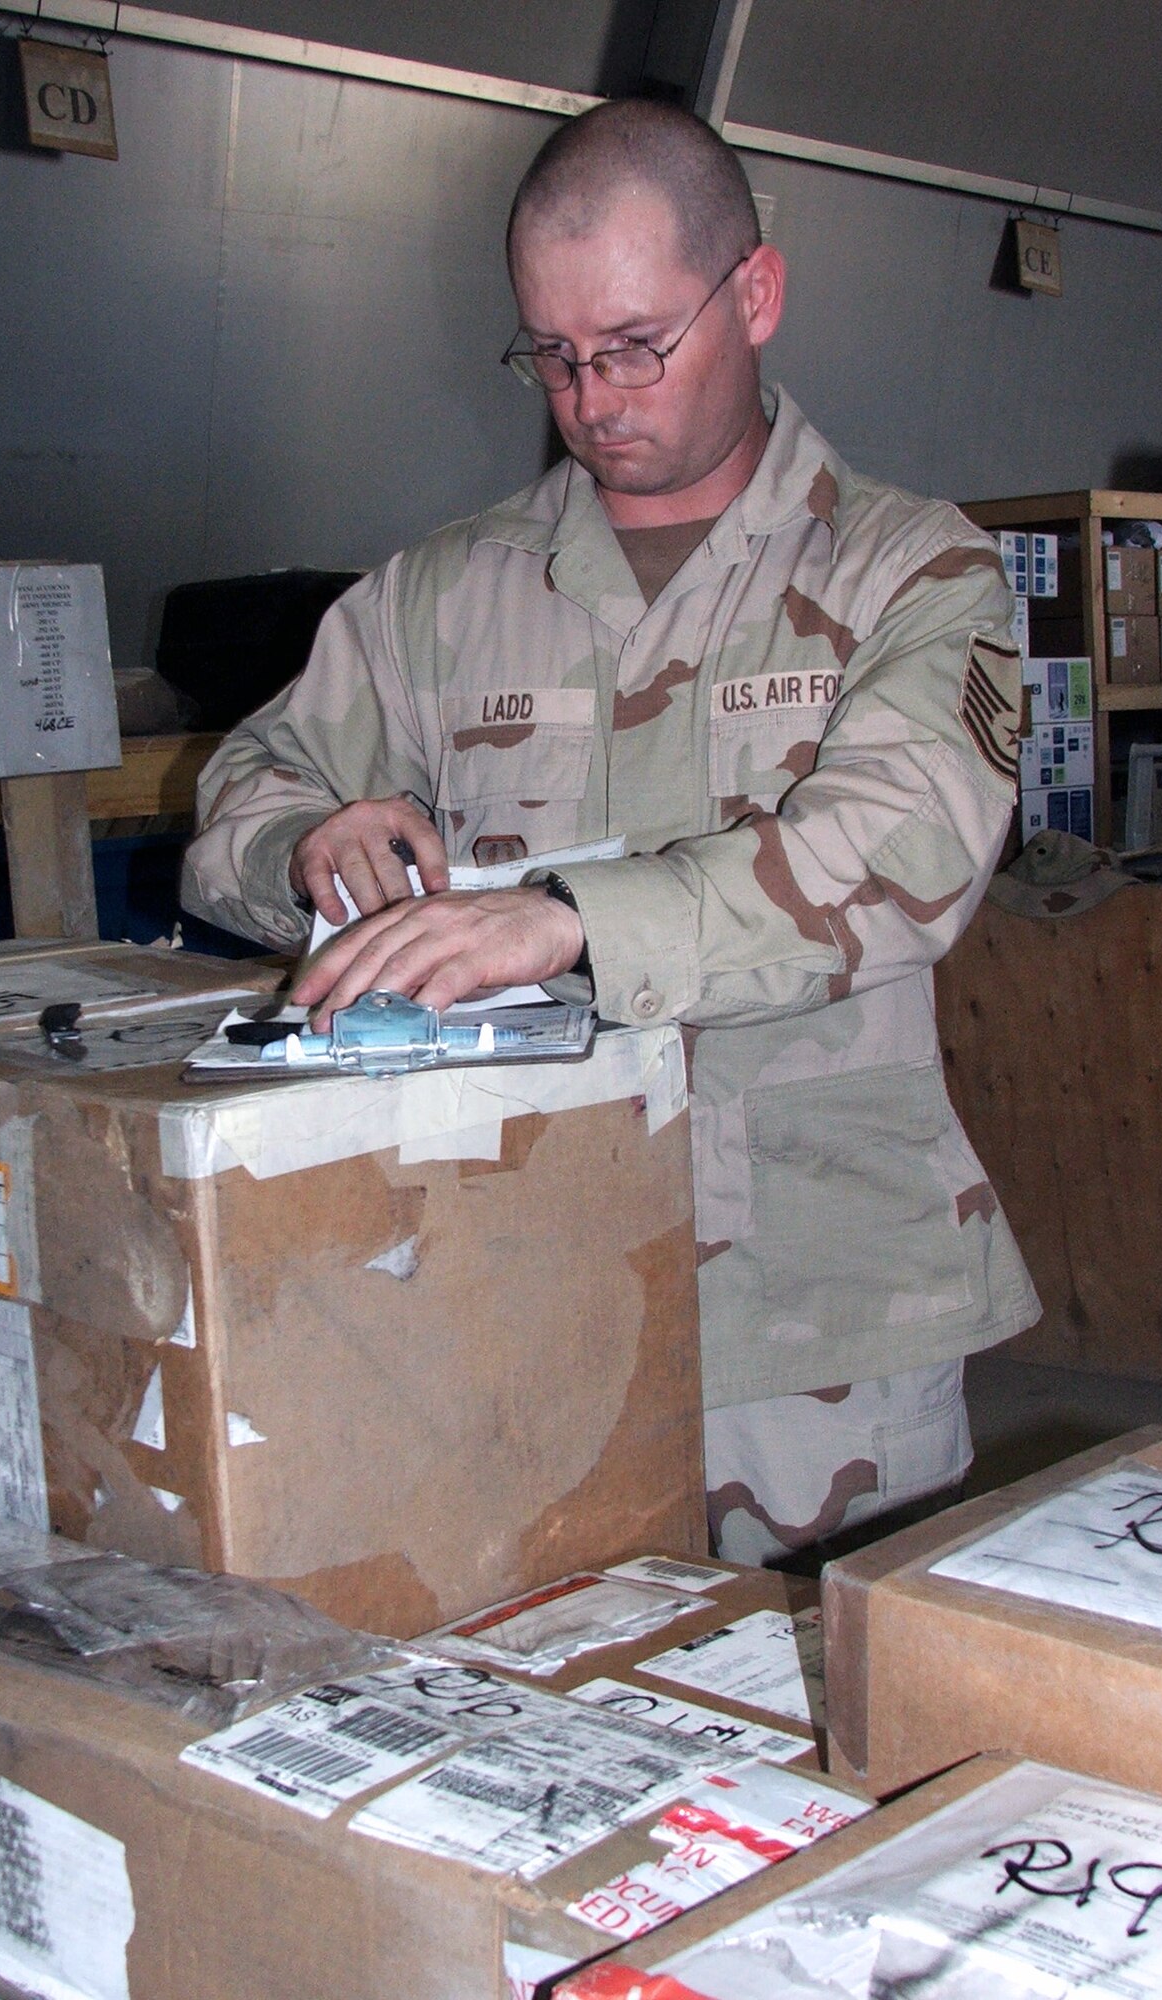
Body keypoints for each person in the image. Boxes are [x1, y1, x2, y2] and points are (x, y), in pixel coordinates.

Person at [182, 98, 1038, 1565]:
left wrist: (569, 920)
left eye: (638, 345)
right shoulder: (444, 595)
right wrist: (312, 845)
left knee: (827, 1742)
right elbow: (236, 804)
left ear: (754, 296)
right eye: (554, 355)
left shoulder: (916, 570)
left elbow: (900, 853)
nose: (593, 397)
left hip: (816, 1317)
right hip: (510, 1293)